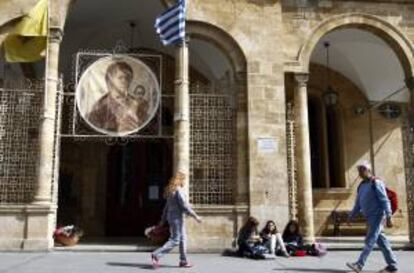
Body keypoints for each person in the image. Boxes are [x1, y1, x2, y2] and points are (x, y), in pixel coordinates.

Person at [346, 161, 398, 273]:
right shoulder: (361, 186)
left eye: (362, 170)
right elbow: (358, 204)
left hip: (378, 216)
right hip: (369, 217)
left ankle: (359, 265)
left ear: (368, 170)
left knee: (370, 240)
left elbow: (384, 200)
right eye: (358, 170)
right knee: (382, 242)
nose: (359, 173)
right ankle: (392, 265)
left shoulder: (376, 183)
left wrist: (389, 216)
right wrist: (351, 216)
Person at [151, 172, 202, 269]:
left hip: (173, 218)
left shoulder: (171, 190)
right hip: (177, 219)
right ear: (181, 180)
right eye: (184, 180)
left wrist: (163, 220)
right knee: (175, 239)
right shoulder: (179, 190)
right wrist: (196, 216)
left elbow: (166, 208)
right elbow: (184, 206)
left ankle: (183, 261)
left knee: (183, 239)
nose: (184, 182)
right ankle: (156, 254)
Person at [86, 61, 150, 133]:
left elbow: (147, 128)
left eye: (127, 77)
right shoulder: (99, 108)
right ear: (110, 81)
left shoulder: (138, 104)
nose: (124, 80)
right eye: (120, 77)